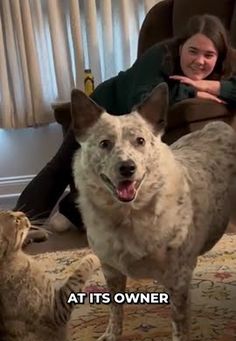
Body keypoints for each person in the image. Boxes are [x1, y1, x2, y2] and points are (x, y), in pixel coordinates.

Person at [15, 14, 236, 234]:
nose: (200, 61)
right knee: (61, 166)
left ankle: (70, 209)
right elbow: (142, 100)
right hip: (106, 111)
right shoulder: (158, 55)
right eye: (193, 51)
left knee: (127, 174)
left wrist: (212, 87)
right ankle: (15, 225)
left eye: (209, 55)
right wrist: (192, 90)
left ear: (220, 56)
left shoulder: (227, 63)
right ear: (180, 48)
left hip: (141, 136)